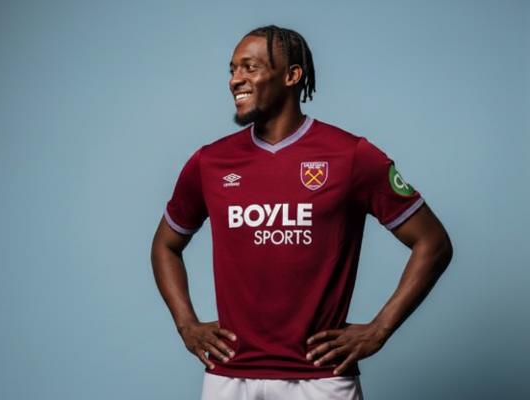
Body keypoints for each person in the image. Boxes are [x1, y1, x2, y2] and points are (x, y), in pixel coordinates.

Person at [151, 25, 453, 400]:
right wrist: (187, 325)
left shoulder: (351, 156)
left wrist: (379, 330)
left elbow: (433, 242)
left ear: (292, 75)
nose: (235, 80)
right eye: (232, 70)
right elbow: (165, 245)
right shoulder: (210, 162)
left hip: (321, 379)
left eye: (250, 67)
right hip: (229, 377)